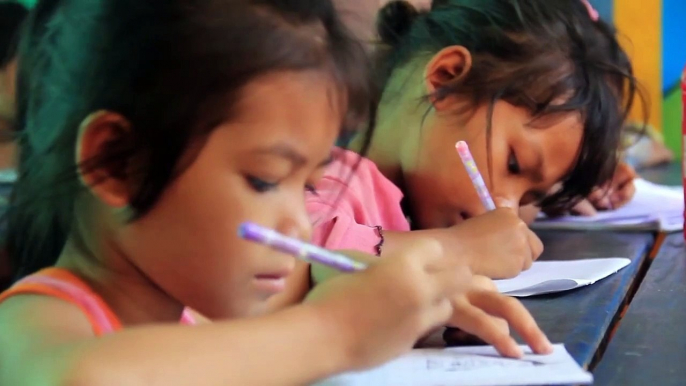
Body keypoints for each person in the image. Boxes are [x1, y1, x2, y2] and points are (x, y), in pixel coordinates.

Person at [0, 1, 550, 385]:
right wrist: (339, 330)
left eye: (309, 184)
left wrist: (404, 311)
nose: (299, 225)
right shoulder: (37, 325)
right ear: (118, 163)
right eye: (264, 180)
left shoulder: (215, 309)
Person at [303, 0, 641, 285]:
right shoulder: (330, 182)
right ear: (446, 81)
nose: (506, 208)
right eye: (514, 164)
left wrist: (556, 195)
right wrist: (457, 249)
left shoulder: (424, 202)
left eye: (528, 195)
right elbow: (301, 253)